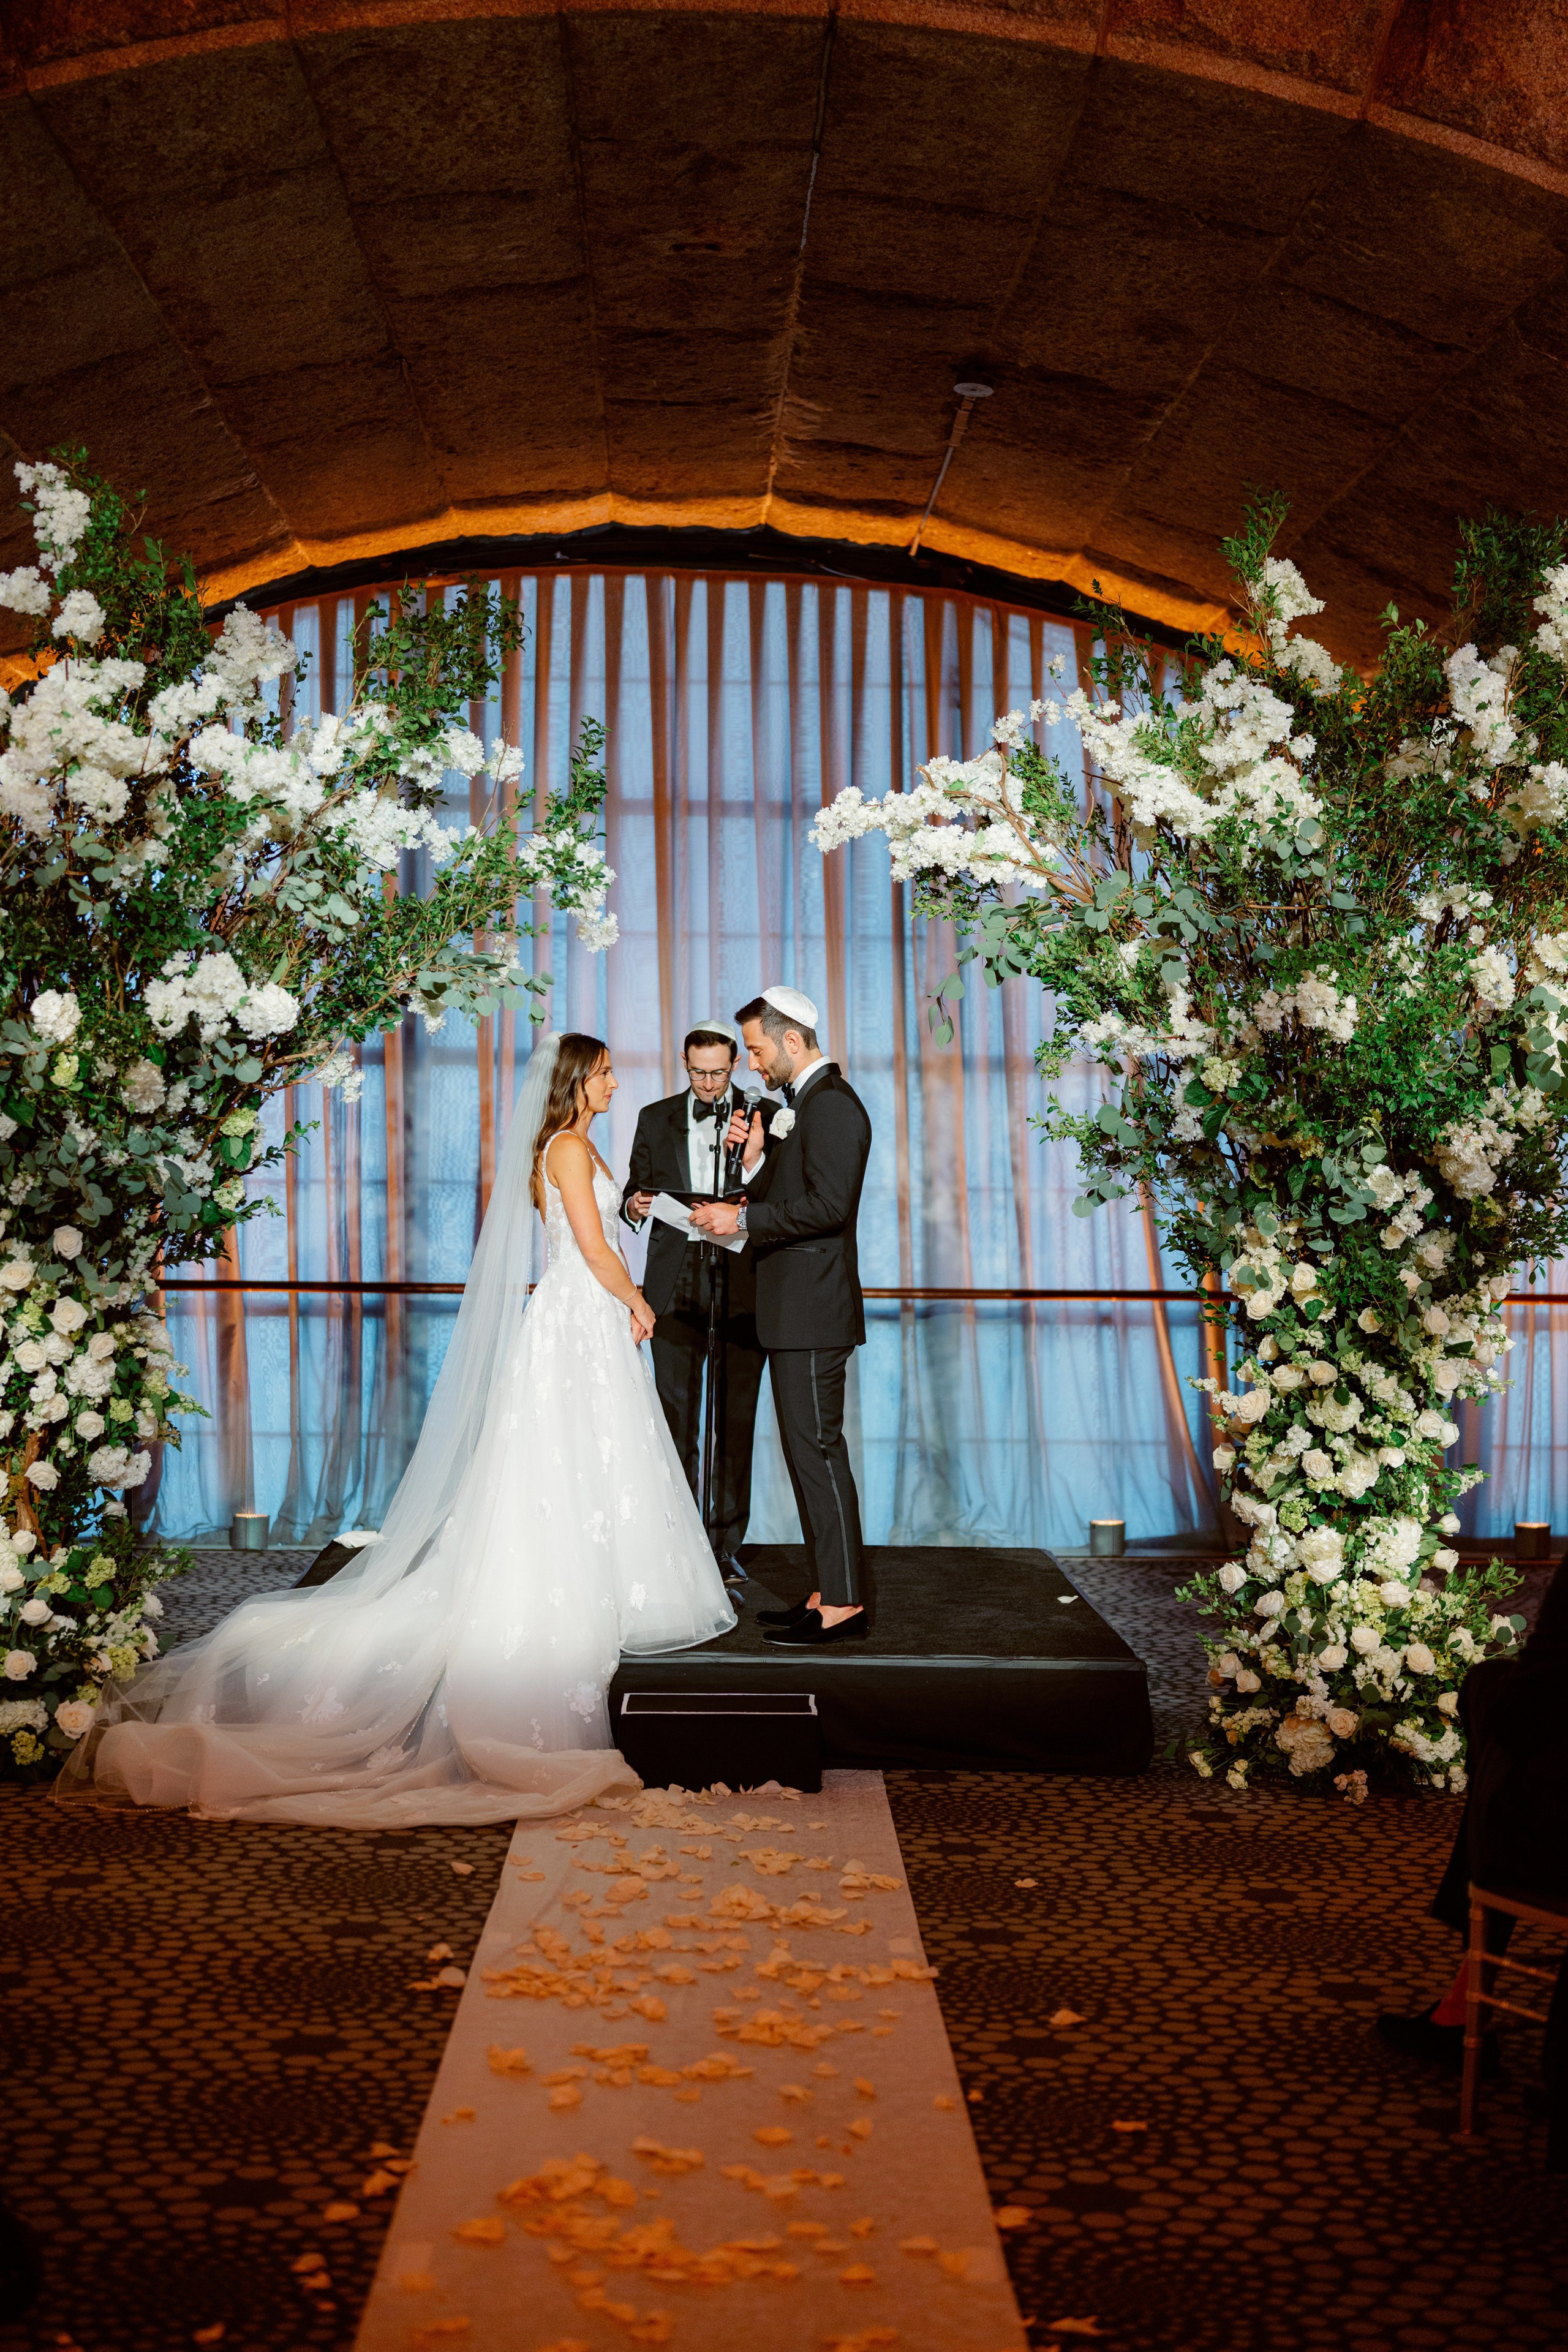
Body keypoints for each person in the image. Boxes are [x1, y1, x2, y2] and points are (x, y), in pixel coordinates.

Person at [67, 1033, 736, 1828]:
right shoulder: (563, 1149)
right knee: (563, 1456)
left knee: (601, 1455)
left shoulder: (580, 1149)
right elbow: (590, 1249)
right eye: (603, 1073)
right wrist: (636, 1300)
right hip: (578, 1313)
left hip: (585, 1317)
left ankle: (616, 1574)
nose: (615, 1082)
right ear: (576, 1083)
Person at [691, 986, 873, 1648]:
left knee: (819, 1455)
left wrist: (741, 1217)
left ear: (791, 1042)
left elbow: (830, 1208)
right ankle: (828, 1588)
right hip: (795, 1311)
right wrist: (757, 1160)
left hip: (813, 1311)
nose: (753, 1064)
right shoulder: (802, 1109)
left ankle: (846, 1603)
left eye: (759, 1050)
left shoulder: (831, 1107)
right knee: (806, 1458)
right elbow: (796, 1192)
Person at [1376, 1553, 1568, 2166]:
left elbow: (1529, 1708)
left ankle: (1463, 2004)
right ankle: (1459, 2003)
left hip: (1551, 1846)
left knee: (1492, 1704)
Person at [620, 1019, 772, 1578]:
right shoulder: (654, 1117)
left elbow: (778, 1193)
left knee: (734, 1420)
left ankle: (724, 1546)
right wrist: (633, 1207)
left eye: (717, 1073)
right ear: (684, 1066)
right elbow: (636, 1188)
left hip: (743, 1282)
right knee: (674, 1416)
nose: (707, 1084)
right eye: (697, 1073)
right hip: (673, 1281)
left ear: (734, 1065)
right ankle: (675, 1543)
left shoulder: (764, 1117)